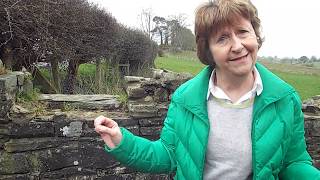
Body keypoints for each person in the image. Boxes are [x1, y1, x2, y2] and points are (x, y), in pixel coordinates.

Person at [94, 0, 320, 179]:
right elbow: (168, 154)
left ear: (256, 35)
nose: (238, 45)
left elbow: (294, 162)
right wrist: (122, 141)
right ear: (208, 51)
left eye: (243, 32)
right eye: (222, 38)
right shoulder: (185, 98)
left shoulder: (285, 99)